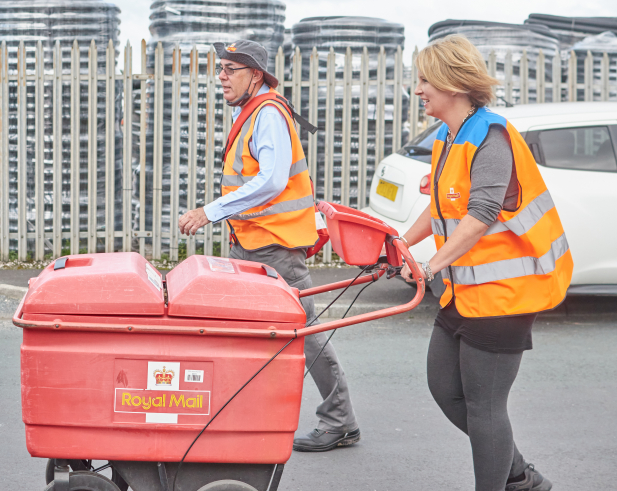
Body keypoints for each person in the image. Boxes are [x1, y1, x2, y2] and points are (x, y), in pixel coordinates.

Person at [399, 34, 573, 491]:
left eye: (423, 81)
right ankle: (519, 475)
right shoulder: (448, 135)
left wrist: (430, 264)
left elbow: (480, 216)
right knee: (445, 390)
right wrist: (401, 242)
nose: (418, 90)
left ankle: (508, 483)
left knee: (485, 407)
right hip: (464, 293)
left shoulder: (491, 137)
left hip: (503, 298)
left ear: (451, 83)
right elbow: (440, 208)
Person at [178, 39, 360, 452]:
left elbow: (273, 181)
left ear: (255, 75)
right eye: (220, 69)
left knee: (305, 334)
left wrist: (211, 210)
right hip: (254, 243)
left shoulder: (268, 114)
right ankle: (247, 412)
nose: (220, 77)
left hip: (275, 248)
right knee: (252, 333)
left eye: (230, 70)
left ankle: (340, 421)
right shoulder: (254, 111)